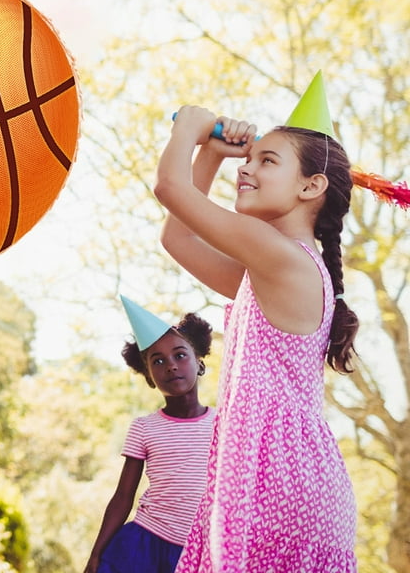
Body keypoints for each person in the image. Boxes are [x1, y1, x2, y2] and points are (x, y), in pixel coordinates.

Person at [153, 77, 359, 572]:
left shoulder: (282, 258)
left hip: (280, 486)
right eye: (249, 159)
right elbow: (176, 237)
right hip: (262, 480)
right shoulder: (269, 269)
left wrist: (191, 124)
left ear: (312, 186)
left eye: (267, 161)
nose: (247, 169)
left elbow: (168, 188)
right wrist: (213, 156)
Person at [85, 300, 216, 573]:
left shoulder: (226, 423)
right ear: (148, 377)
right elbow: (123, 496)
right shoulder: (144, 428)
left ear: (199, 363)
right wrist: (96, 554)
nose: (170, 365)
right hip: (142, 546)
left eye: (180, 355)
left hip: (201, 550)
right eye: (158, 361)